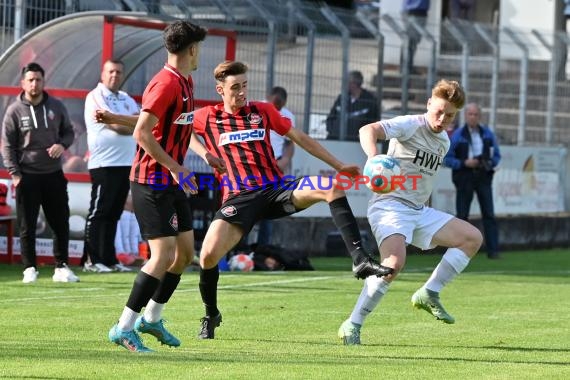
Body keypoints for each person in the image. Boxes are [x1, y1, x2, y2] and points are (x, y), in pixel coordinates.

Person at [190, 60, 392, 340]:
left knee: (331, 187)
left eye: (244, 86)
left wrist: (338, 165)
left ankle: (360, 260)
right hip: (239, 198)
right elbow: (180, 129)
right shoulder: (206, 117)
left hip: (275, 190)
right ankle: (211, 313)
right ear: (220, 90)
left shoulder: (262, 111)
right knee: (208, 256)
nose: (241, 93)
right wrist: (204, 154)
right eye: (235, 88)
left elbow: (299, 137)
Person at [338, 79, 483, 345]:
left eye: (450, 115)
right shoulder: (410, 125)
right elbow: (368, 129)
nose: (442, 119)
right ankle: (352, 324)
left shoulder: (443, 142)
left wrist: (425, 208)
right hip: (389, 206)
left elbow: (423, 180)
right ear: (429, 103)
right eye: (438, 111)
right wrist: (373, 159)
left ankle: (429, 292)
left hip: (418, 210)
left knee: (472, 238)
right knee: (392, 265)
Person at [106, 20, 211, 353]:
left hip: (171, 181)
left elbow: (181, 129)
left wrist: (205, 154)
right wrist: (177, 167)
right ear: (191, 48)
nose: (199, 55)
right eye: (199, 49)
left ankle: (151, 319)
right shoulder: (165, 84)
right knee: (162, 254)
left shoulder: (185, 81)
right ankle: (123, 328)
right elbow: (142, 132)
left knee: (184, 255)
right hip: (151, 182)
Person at [1, 62, 80, 284]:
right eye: (31, 80)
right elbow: (7, 145)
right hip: (26, 176)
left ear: (44, 82)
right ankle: (29, 268)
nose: (35, 84)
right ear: (23, 83)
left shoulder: (56, 106)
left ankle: (61, 267)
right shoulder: (14, 110)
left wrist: (62, 146)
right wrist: (15, 174)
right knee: (28, 225)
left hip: (54, 174)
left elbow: (69, 132)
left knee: (60, 222)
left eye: (38, 80)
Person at [82, 59, 139, 273]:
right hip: (104, 164)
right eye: (111, 71)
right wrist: (131, 122)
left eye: (119, 72)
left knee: (114, 213)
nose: (115, 75)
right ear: (103, 74)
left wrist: (131, 121)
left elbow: (143, 123)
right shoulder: (96, 96)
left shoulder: (126, 99)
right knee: (99, 212)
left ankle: (109, 260)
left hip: (125, 163)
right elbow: (116, 126)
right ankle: (92, 260)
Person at [444, 102, 501, 259]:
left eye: (476, 114)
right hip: (464, 176)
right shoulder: (457, 135)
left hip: (483, 176)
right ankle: (458, 251)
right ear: (465, 115)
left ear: (479, 116)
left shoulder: (487, 134)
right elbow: (447, 159)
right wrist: (463, 163)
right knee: (462, 215)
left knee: (489, 214)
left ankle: (493, 251)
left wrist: (489, 164)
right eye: (470, 114)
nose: (473, 117)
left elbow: (496, 155)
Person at [255, 86, 295, 246]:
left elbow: (291, 143)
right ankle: (239, 251)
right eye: (274, 105)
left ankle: (262, 251)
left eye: (279, 107)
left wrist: (285, 159)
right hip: (255, 165)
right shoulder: (255, 108)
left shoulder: (289, 116)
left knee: (269, 209)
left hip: (275, 165)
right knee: (246, 207)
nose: (276, 110)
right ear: (268, 97)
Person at [326, 70, 379, 141]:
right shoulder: (342, 98)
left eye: (347, 82)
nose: (344, 84)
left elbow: (373, 121)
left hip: (356, 141)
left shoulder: (369, 100)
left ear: (354, 84)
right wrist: (332, 130)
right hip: (334, 138)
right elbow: (331, 117)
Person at [401, 0, 430, 74]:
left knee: (411, 42)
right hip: (414, 11)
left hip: (416, 10)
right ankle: (406, 69)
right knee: (410, 42)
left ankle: (407, 68)